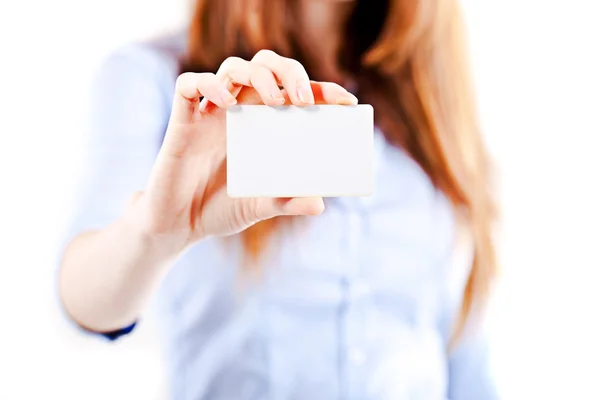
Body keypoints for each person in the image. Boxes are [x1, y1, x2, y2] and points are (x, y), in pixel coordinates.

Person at [59, 0, 499, 399]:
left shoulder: (430, 92)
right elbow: (85, 299)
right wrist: (155, 234)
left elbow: (460, 351)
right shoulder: (157, 79)